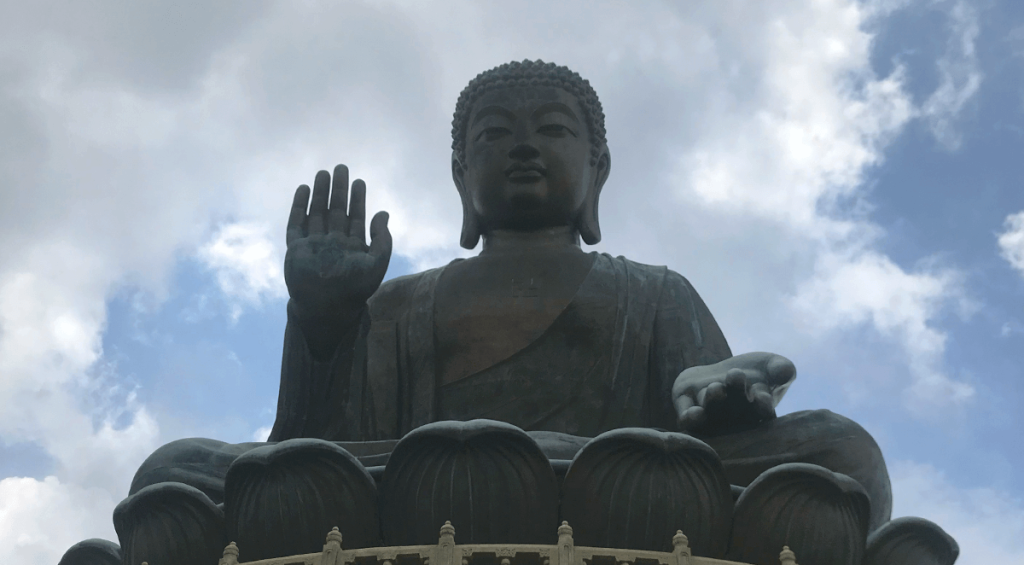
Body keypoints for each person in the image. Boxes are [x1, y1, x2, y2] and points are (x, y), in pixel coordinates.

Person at [130, 60, 890, 533]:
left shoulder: (655, 292)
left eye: (553, 131)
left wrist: (718, 397)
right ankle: (538, 470)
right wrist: (324, 321)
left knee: (842, 451)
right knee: (173, 469)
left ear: (598, 169)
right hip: (417, 483)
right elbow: (307, 441)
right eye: (495, 136)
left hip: (616, 484)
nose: (524, 146)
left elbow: (705, 429)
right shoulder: (399, 304)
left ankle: (547, 469)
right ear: (463, 176)